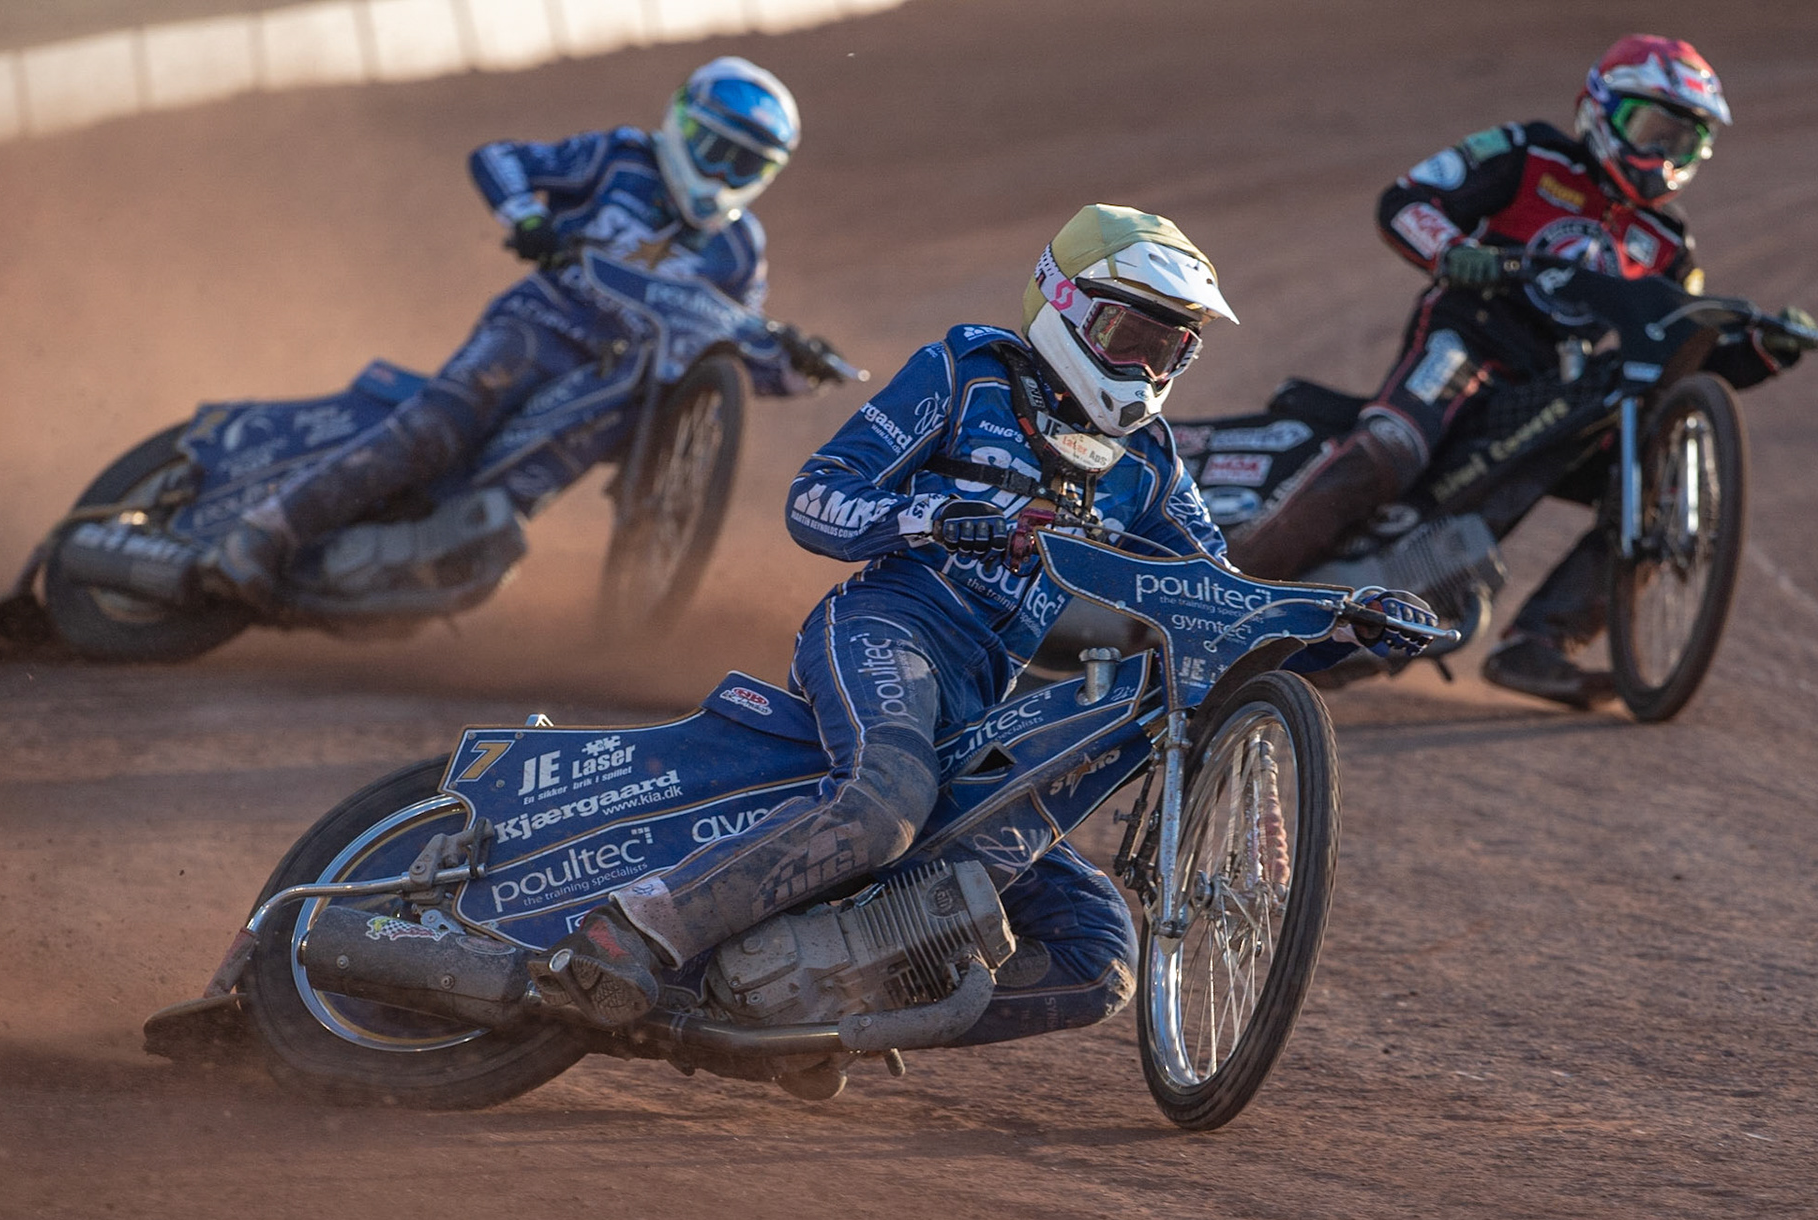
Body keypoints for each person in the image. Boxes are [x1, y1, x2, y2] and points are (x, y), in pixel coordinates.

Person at [529, 204, 1424, 1041]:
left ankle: (809, 1009)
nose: (1147, 368)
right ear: (1064, 305)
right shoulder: (967, 372)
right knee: (885, 805)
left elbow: (1220, 591)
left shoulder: (1148, 464)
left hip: (985, 702)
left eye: (1170, 351)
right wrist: (936, 514)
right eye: (1131, 336)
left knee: (1096, 956)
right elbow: (814, 498)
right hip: (891, 628)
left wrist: (1344, 618)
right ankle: (631, 930)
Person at [1225, 34, 1818, 708]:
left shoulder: (1667, 244)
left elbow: (1673, 354)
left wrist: (1765, 352)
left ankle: (1536, 645)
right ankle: (1230, 591)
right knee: (1391, 448)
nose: (1660, 153)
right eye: (1649, 127)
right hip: (1468, 339)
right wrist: (1452, 252)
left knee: (1647, 491)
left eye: (1681, 142)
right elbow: (1408, 199)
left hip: (1551, 388)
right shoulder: (1532, 152)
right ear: (1597, 110)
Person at [214, 56, 820, 604]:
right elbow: (498, 158)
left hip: (617, 384)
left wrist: (795, 358)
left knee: (516, 500)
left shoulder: (741, 249)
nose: (721, 173)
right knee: (437, 429)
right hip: (540, 325)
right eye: (713, 148)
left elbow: (732, 343)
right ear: (681, 123)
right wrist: (528, 220)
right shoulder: (619, 157)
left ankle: (413, 567)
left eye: (744, 164)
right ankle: (267, 530)